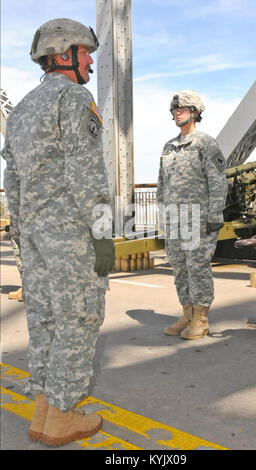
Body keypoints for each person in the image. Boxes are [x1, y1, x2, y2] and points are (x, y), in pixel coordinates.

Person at [1, 18, 115, 447]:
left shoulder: (25, 107)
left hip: (32, 236)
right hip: (69, 237)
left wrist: (21, 233)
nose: (90, 59)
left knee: (44, 322)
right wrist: (103, 233)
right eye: (84, 51)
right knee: (78, 320)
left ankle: (43, 413)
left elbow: (11, 179)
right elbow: (87, 171)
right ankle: (63, 416)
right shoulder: (74, 96)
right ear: (63, 55)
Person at [157, 90, 228, 340]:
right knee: (179, 267)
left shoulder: (205, 143)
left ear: (195, 113)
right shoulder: (169, 147)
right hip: (175, 220)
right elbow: (162, 184)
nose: (177, 112)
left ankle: (201, 318)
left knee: (197, 267)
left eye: (183, 109)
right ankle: (187, 313)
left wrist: (215, 213)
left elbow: (218, 180)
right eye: (175, 110)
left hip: (198, 219)